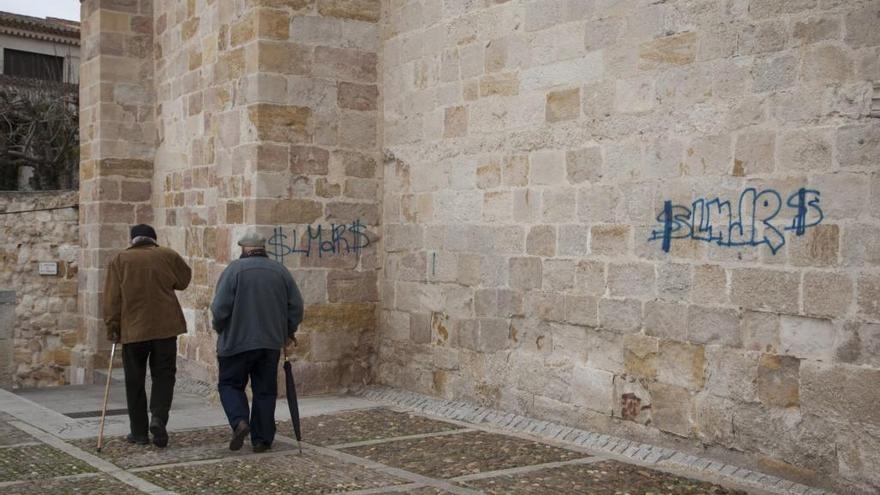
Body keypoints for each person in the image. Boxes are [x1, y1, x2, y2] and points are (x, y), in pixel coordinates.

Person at [211, 232, 304, 453]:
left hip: (236, 342)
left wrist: (219, 327)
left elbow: (219, 308)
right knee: (265, 390)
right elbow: (296, 307)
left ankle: (240, 421)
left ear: (244, 249)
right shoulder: (280, 271)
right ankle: (262, 439)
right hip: (270, 342)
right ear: (263, 249)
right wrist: (288, 330)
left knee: (230, 385)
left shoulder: (233, 270)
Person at [103, 224, 191, 448]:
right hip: (165, 328)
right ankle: (159, 418)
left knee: (135, 381)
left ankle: (139, 433)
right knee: (164, 376)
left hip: (134, 330)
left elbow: (112, 298)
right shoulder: (167, 255)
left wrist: (112, 327)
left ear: (133, 240)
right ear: (153, 239)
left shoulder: (120, 260)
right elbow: (183, 281)